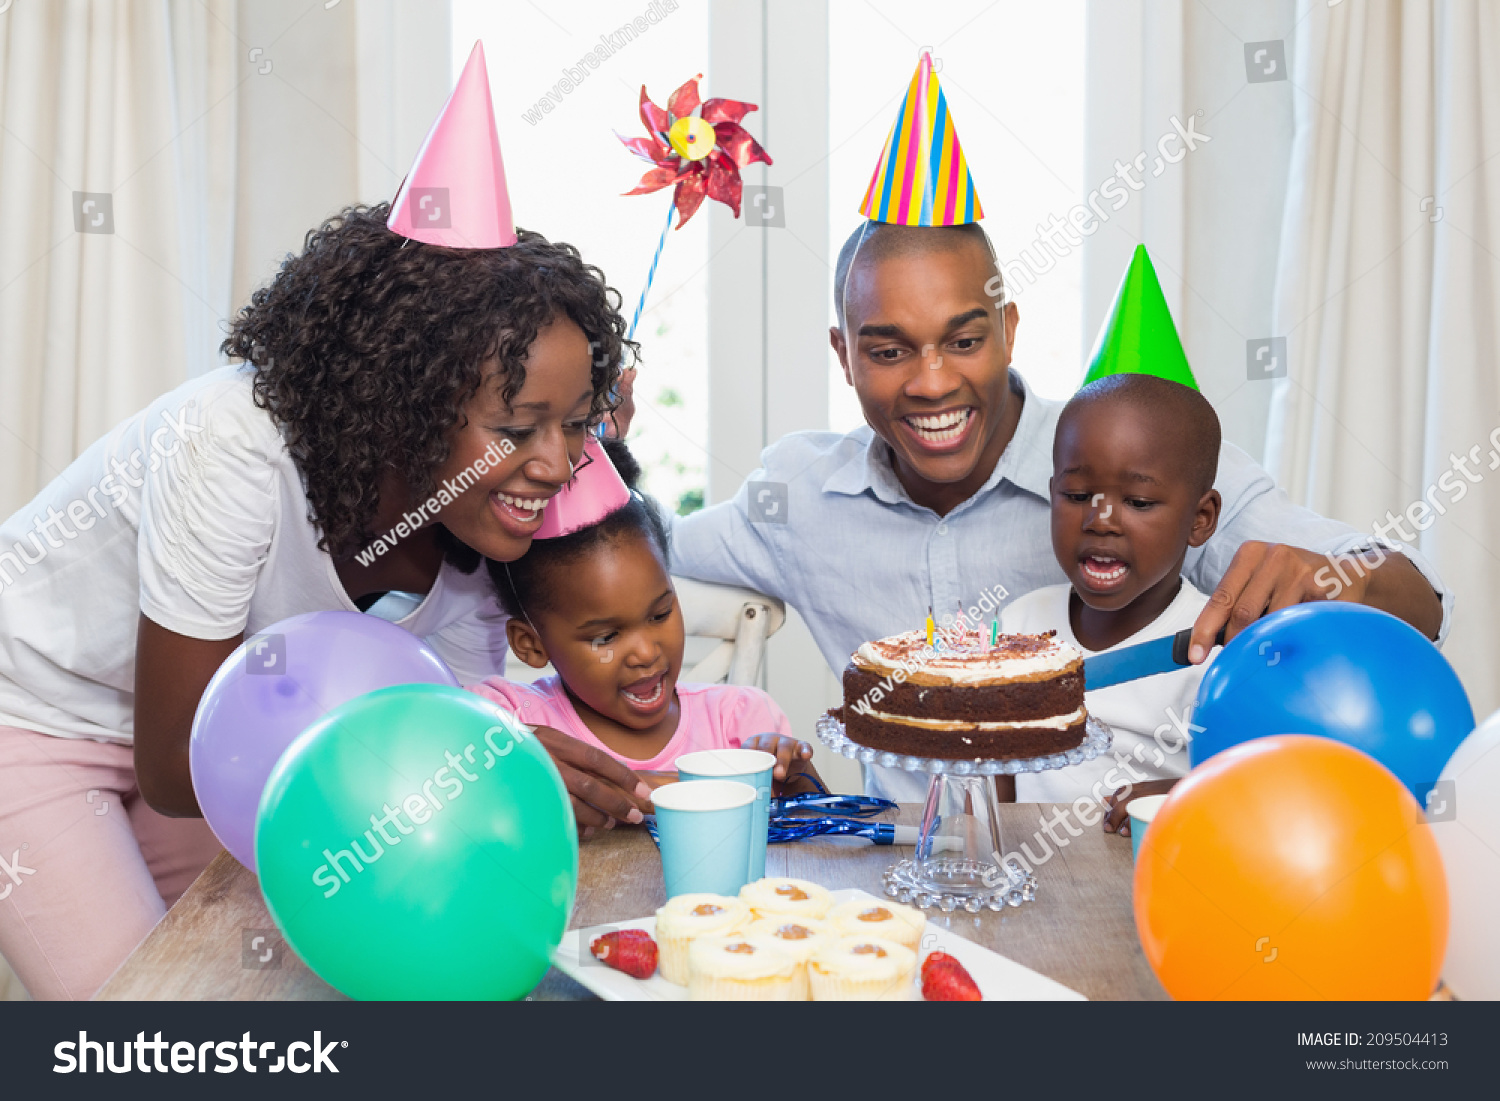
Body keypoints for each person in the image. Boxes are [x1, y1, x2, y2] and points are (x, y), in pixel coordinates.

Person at [0, 203, 655, 999]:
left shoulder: (490, 534)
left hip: (230, 752)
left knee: (265, 985)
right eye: (517, 427)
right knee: (144, 1021)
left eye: (575, 423)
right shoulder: (230, 443)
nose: (555, 464)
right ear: (405, 402)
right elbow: (177, 765)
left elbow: (430, 732)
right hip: (34, 716)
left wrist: (498, 763)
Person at [668, 219, 1451, 802]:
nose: (933, 382)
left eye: (963, 339)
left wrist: (1328, 579)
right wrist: (596, 447)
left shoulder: (1137, 453)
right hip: (895, 882)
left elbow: (1415, 603)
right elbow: (639, 557)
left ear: (1008, 330)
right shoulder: (798, 496)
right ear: (843, 355)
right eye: (889, 349)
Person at [471, 439, 820, 833]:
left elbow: (816, 836)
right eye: (605, 637)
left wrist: (797, 782)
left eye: (660, 614)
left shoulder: (741, 721)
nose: (645, 652)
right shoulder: (507, 717)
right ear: (530, 644)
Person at [1001, 373, 1223, 819]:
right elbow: (999, 770)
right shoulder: (1020, 624)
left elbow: (1248, 788)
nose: (1100, 520)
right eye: (1078, 495)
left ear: (1200, 519)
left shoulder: (1211, 648)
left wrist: (1180, 794)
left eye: (1138, 502)